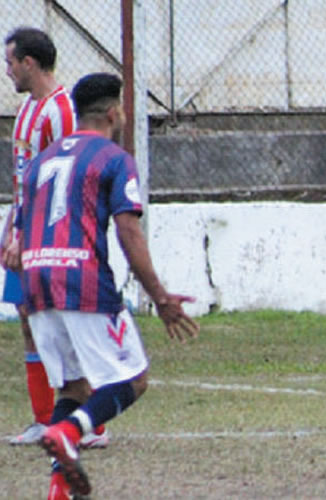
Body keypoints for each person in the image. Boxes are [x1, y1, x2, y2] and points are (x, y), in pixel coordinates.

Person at [7, 72, 198, 498]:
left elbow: (20, 234)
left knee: (72, 387)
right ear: (114, 112)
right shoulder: (113, 157)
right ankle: (72, 432)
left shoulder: (42, 160)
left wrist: (27, 292)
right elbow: (128, 232)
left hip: (37, 283)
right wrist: (160, 298)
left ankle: (59, 488)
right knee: (133, 379)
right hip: (83, 281)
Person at [2, 27, 113, 449]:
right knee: (30, 321)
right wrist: (12, 226)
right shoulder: (28, 110)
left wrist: (37, 232)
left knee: (65, 326)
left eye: (10, 61)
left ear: (30, 63)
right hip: (24, 228)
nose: (7, 69)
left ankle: (92, 424)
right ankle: (44, 419)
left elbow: (67, 175)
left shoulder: (61, 110)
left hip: (51, 233)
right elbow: (24, 178)